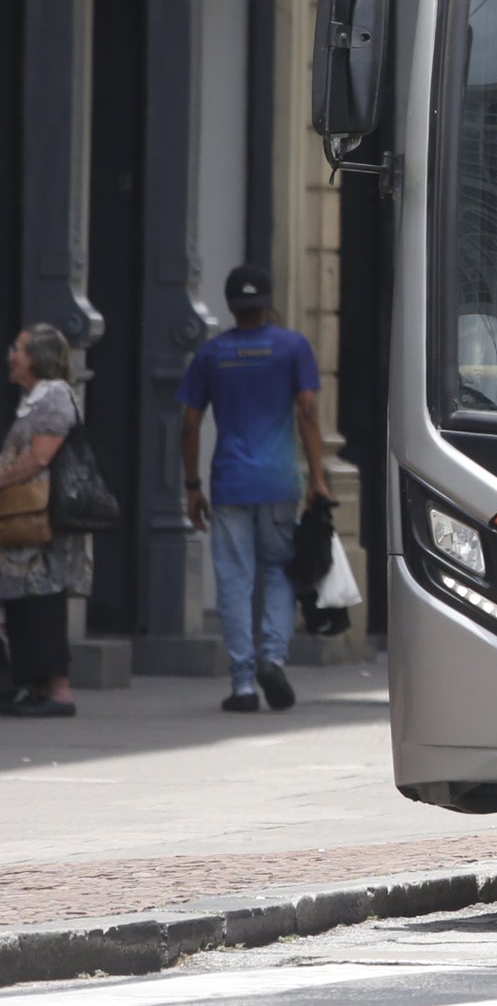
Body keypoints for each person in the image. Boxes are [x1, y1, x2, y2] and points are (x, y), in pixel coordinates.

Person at [177, 266, 324, 714]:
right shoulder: (293, 347)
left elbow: (189, 422)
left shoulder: (211, 355)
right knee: (279, 572)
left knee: (234, 581)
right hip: (278, 481)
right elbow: (308, 411)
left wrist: (192, 485)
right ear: (267, 301)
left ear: (230, 305)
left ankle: (242, 684)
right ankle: (273, 658)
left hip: (229, 484)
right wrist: (317, 476)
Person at [0, 325, 90, 718]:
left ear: (36, 357)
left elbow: (39, 459)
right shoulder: (32, 399)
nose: (10, 356)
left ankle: (58, 691)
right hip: (23, 520)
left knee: (43, 601)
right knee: (23, 601)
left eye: (17, 349)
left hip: (43, 520)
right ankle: (36, 686)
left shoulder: (53, 396)